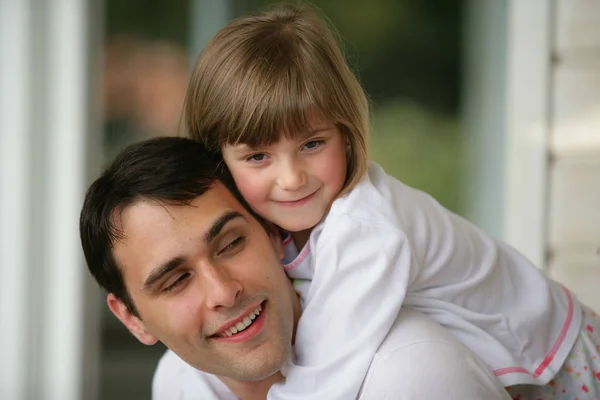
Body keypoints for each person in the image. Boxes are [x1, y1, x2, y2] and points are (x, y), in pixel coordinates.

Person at [184, 3, 600, 399]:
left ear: (346, 133)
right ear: (218, 159)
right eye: (258, 156)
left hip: (562, 360)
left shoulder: (364, 228)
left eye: (312, 144)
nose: (292, 179)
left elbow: (328, 376)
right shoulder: (267, 228)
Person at [79, 137, 512, 399]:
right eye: (176, 280)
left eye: (231, 244)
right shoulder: (178, 383)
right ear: (132, 318)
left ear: (271, 232)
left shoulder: (410, 373)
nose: (223, 291)